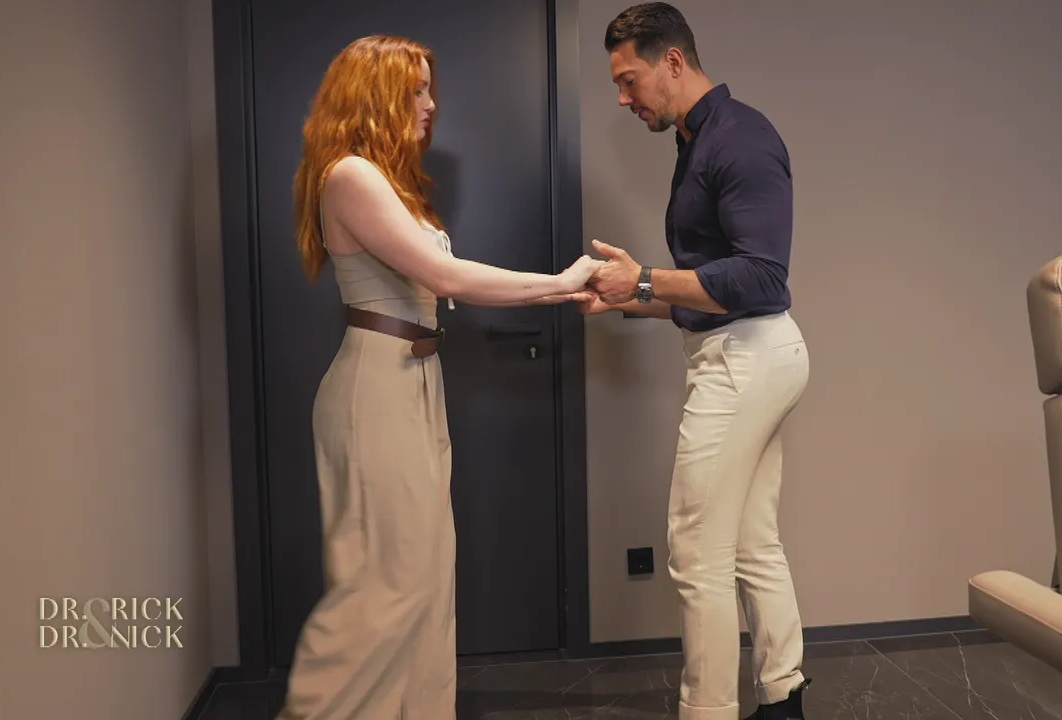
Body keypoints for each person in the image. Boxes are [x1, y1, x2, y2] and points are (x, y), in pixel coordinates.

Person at [277, 35, 599, 720]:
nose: (430, 104)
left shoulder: (381, 180)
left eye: (429, 88)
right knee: (384, 586)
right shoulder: (351, 175)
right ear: (377, 96)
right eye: (416, 90)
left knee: (424, 573)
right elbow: (445, 277)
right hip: (376, 389)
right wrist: (561, 283)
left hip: (413, 380)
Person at [578, 4, 812, 719]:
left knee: (695, 552)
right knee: (750, 542)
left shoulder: (740, 139)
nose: (623, 98)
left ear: (673, 62)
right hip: (746, 351)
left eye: (629, 80)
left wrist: (645, 278)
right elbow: (710, 288)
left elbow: (762, 277)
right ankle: (784, 699)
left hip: (747, 358)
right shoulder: (696, 141)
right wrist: (628, 297)